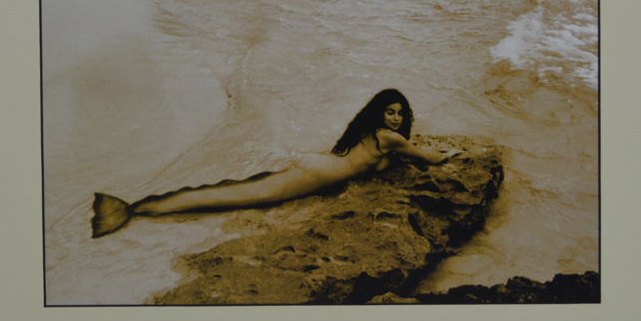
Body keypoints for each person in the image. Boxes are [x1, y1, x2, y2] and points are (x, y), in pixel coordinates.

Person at [91, 88, 461, 238]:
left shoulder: (374, 134)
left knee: (234, 191)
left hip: (317, 168)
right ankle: (131, 210)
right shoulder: (390, 138)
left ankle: (134, 208)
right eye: (390, 111)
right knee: (231, 196)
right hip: (316, 174)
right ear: (380, 113)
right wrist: (451, 155)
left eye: (400, 113)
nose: (396, 118)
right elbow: (429, 159)